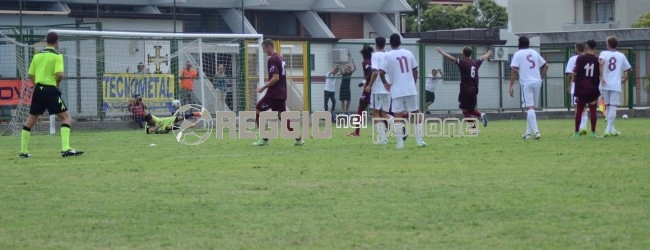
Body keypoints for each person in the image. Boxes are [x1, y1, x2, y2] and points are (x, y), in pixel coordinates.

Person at [20, 31, 83, 158]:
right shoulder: (57, 56)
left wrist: (37, 85)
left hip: (38, 90)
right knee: (66, 118)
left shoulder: (37, 56)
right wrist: (57, 83)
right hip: (50, 90)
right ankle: (65, 149)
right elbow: (59, 74)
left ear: (46, 41)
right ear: (57, 41)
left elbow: (31, 74)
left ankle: (23, 151)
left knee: (30, 120)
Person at [252, 39, 304, 146]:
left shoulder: (272, 59)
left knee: (258, 109)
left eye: (264, 48)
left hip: (273, 94)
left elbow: (276, 77)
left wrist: (263, 87)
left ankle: (264, 139)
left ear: (269, 47)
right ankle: (299, 139)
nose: (264, 51)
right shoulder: (281, 58)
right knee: (282, 116)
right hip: (282, 92)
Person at [379, 33, 424, 149]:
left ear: (390, 43)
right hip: (410, 89)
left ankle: (400, 144)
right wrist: (412, 83)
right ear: (400, 42)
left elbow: (381, 72)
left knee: (397, 116)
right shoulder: (408, 53)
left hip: (397, 90)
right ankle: (419, 141)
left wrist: (385, 83)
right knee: (416, 113)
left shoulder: (387, 55)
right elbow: (415, 70)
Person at [437, 47, 491, 129]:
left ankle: (474, 128)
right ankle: (481, 115)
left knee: (465, 110)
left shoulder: (462, 62)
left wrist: (441, 52)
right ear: (470, 54)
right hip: (474, 90)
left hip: (465, 89)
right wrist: (489, 53)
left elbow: (451, 58)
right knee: (470, 110)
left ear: (463, 54)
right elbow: (483, 58)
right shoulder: (475, 62)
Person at [509, 36, 548, 140]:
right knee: (531, 108)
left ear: (519, 43)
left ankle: (536, 132)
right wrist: (541, 78)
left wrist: (511, 85)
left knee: (529, 108)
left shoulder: (518, 54)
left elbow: (513, 70)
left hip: (526, 82)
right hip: (537, 81)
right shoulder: (534, 52)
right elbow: (546, 66)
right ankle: (528, 133)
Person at [598, 36, 632, 137]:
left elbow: (601, 63)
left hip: (604, 84)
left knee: (608, 106)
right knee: (612, 107)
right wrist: (625, 79)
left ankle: (610, 129)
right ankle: (609, 129)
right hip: (615, 84)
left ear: (608, 43)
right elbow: (629, 70)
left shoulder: (603, 53)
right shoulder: (621, 55)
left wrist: (602, 77)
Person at [365, 36, 394, 144]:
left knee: (375, 113)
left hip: (378, 88)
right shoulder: (388, 55)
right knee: (384, 113)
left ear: (376, 44)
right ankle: (398, 126)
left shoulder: (375, 55)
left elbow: (376, 72)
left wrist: (370, 85)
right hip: (388, 88)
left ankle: (383, 139)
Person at [572, 40, 601, 138]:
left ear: (586, 46)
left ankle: (576, 133)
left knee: (579, 110)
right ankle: (593, 133)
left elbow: (574, 73)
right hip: (593, 87)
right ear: (595, 47)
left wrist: (574, 80)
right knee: (593, 110)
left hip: (581, 88)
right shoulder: (598, 59)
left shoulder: (580, 58)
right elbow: (600, 73)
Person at [348, 45, 374, 137]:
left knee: (360, 109)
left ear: (364, 55)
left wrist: (364, 82)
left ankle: (357, 132)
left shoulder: (365, 62)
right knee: (381, 111)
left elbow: (372, 71)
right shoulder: (374, 60)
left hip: (368, 89)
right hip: (377, 89)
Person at [566, 43, 589, 135]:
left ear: (576, 49)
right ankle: (584, 127)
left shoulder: (573, 59)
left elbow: (569, 74)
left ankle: (579, 128)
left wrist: (568, 85)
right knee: (585, 107)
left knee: (577, 107)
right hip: (588, 85)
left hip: (577, 86)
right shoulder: (589, 58)